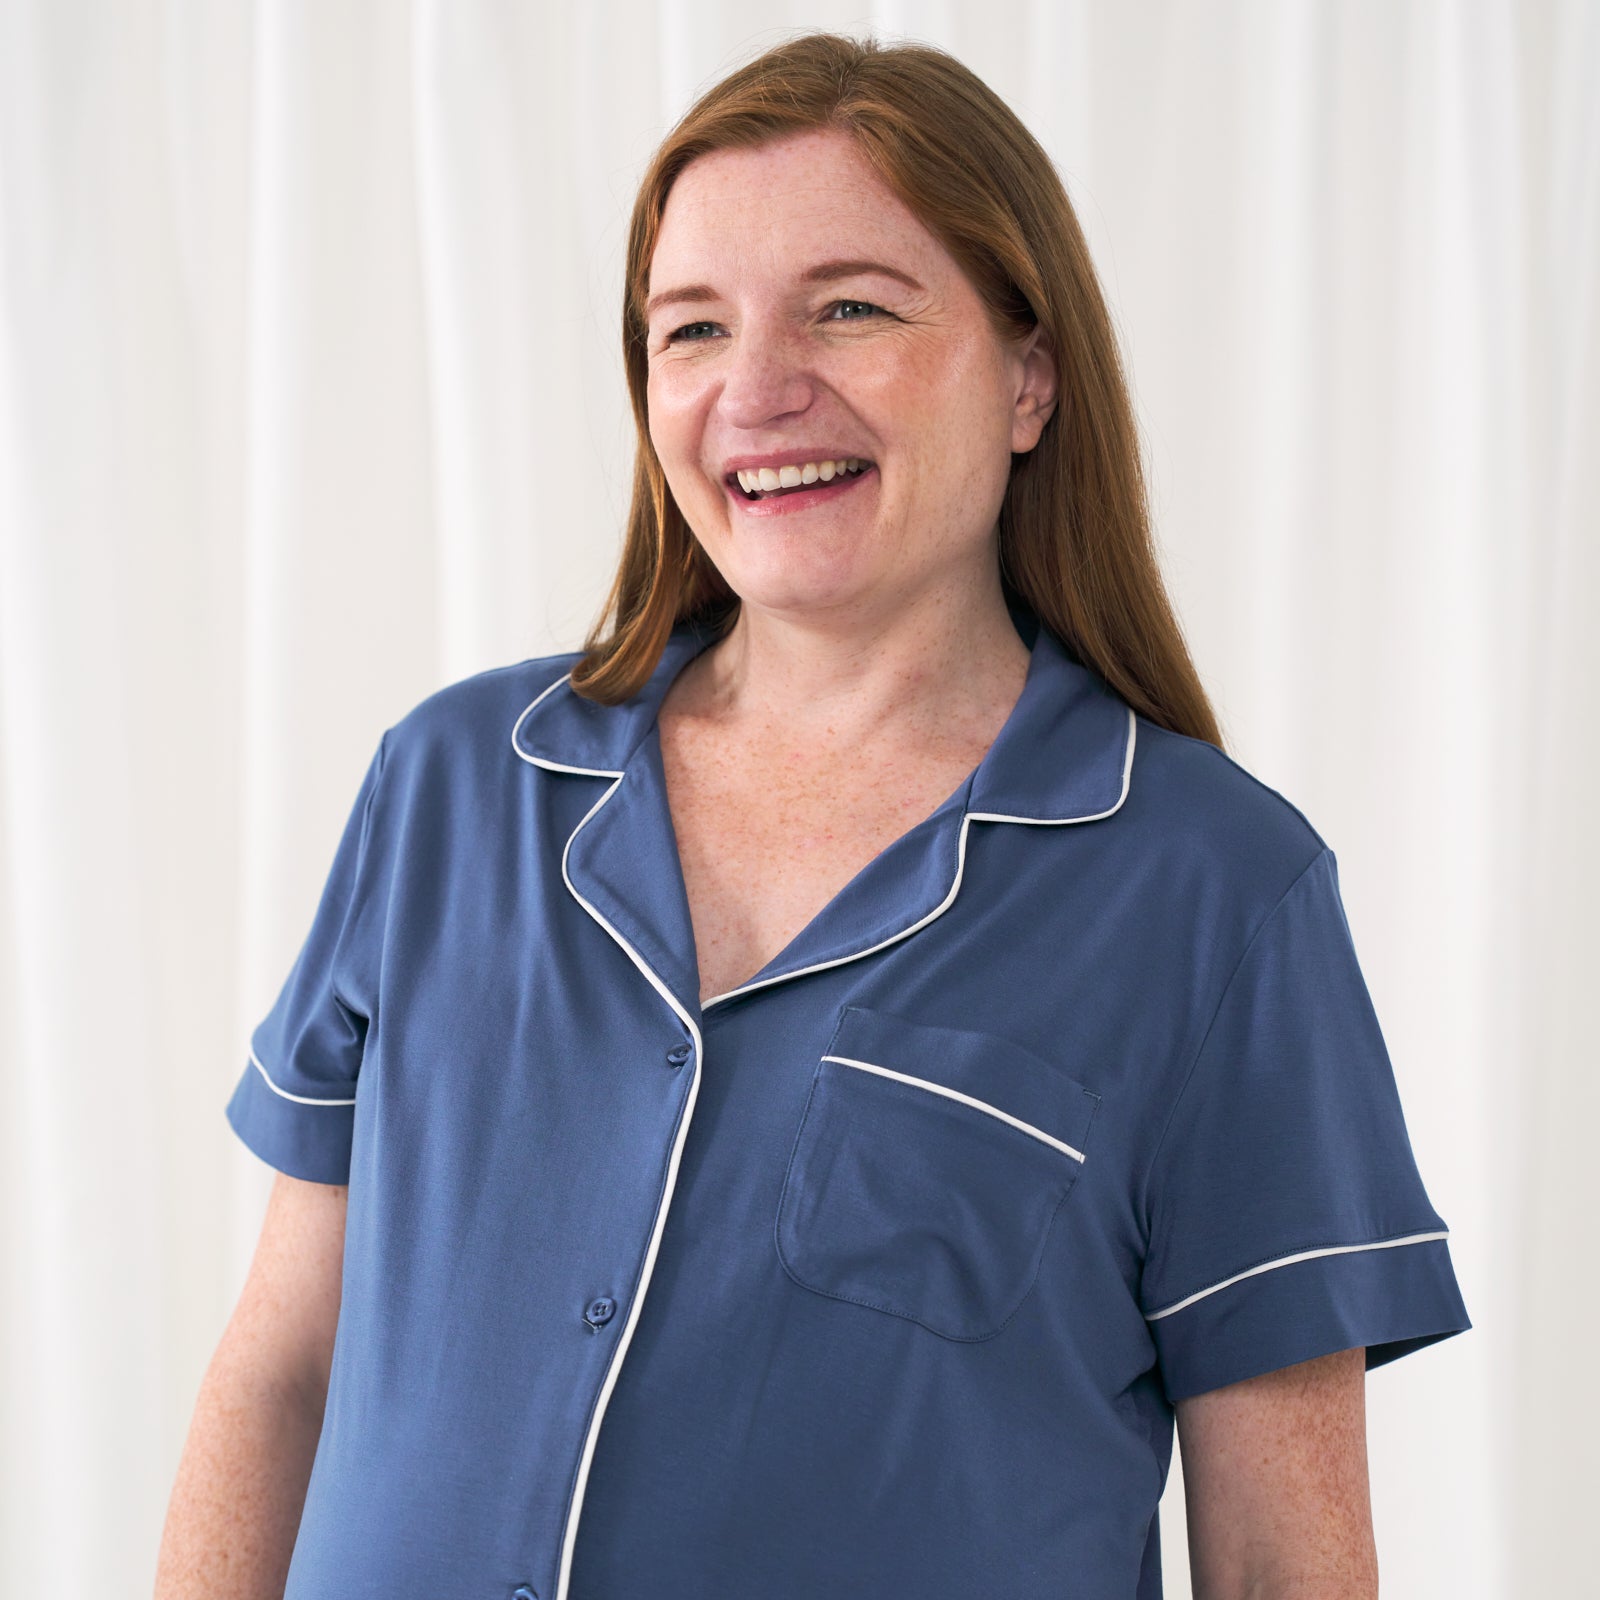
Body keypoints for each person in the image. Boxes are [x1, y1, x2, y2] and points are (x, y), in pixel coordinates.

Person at [155, 30, 1471, 1600]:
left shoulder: (1215, 897)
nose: (758, 391)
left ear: (1029, 376)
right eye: (691, 328)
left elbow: (1282, 1566)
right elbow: (279, 1372)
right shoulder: (450, 789)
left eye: (850, 306)